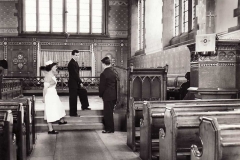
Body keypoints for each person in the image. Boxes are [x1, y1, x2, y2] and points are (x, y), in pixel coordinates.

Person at [43, 60, 67, 134]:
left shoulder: (52, 74)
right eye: (55, 66)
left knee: (59, 106)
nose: (56, 67)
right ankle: (50, 129)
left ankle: (61, 120)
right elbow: (45, 89)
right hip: (49, 94)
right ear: (51, 67)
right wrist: (44, 98)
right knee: (50, 111)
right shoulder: (48, 76)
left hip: (53, 93)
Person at [68, 50, 90, 117]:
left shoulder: (75, 62)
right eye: (76, 55)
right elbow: (75, 74)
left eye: (78, 55)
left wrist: (79, 82)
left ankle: (84, 106)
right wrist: (80, 82)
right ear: (72, 55)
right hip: (73, 83)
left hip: (76, 82)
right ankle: (73, 113)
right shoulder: (71, 63)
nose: (77, 56)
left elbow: (76, 74)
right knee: (73, 98)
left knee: (83, 92)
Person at [99, 57, 117, 133]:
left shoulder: (103, 74)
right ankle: (110, 128)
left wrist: (100, 94)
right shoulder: (114, 72)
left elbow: (102, 86)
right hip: (113, 95)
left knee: (107, 113)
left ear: (103, 64)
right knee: (110, 112)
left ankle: (109, 129)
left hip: (107, 95)